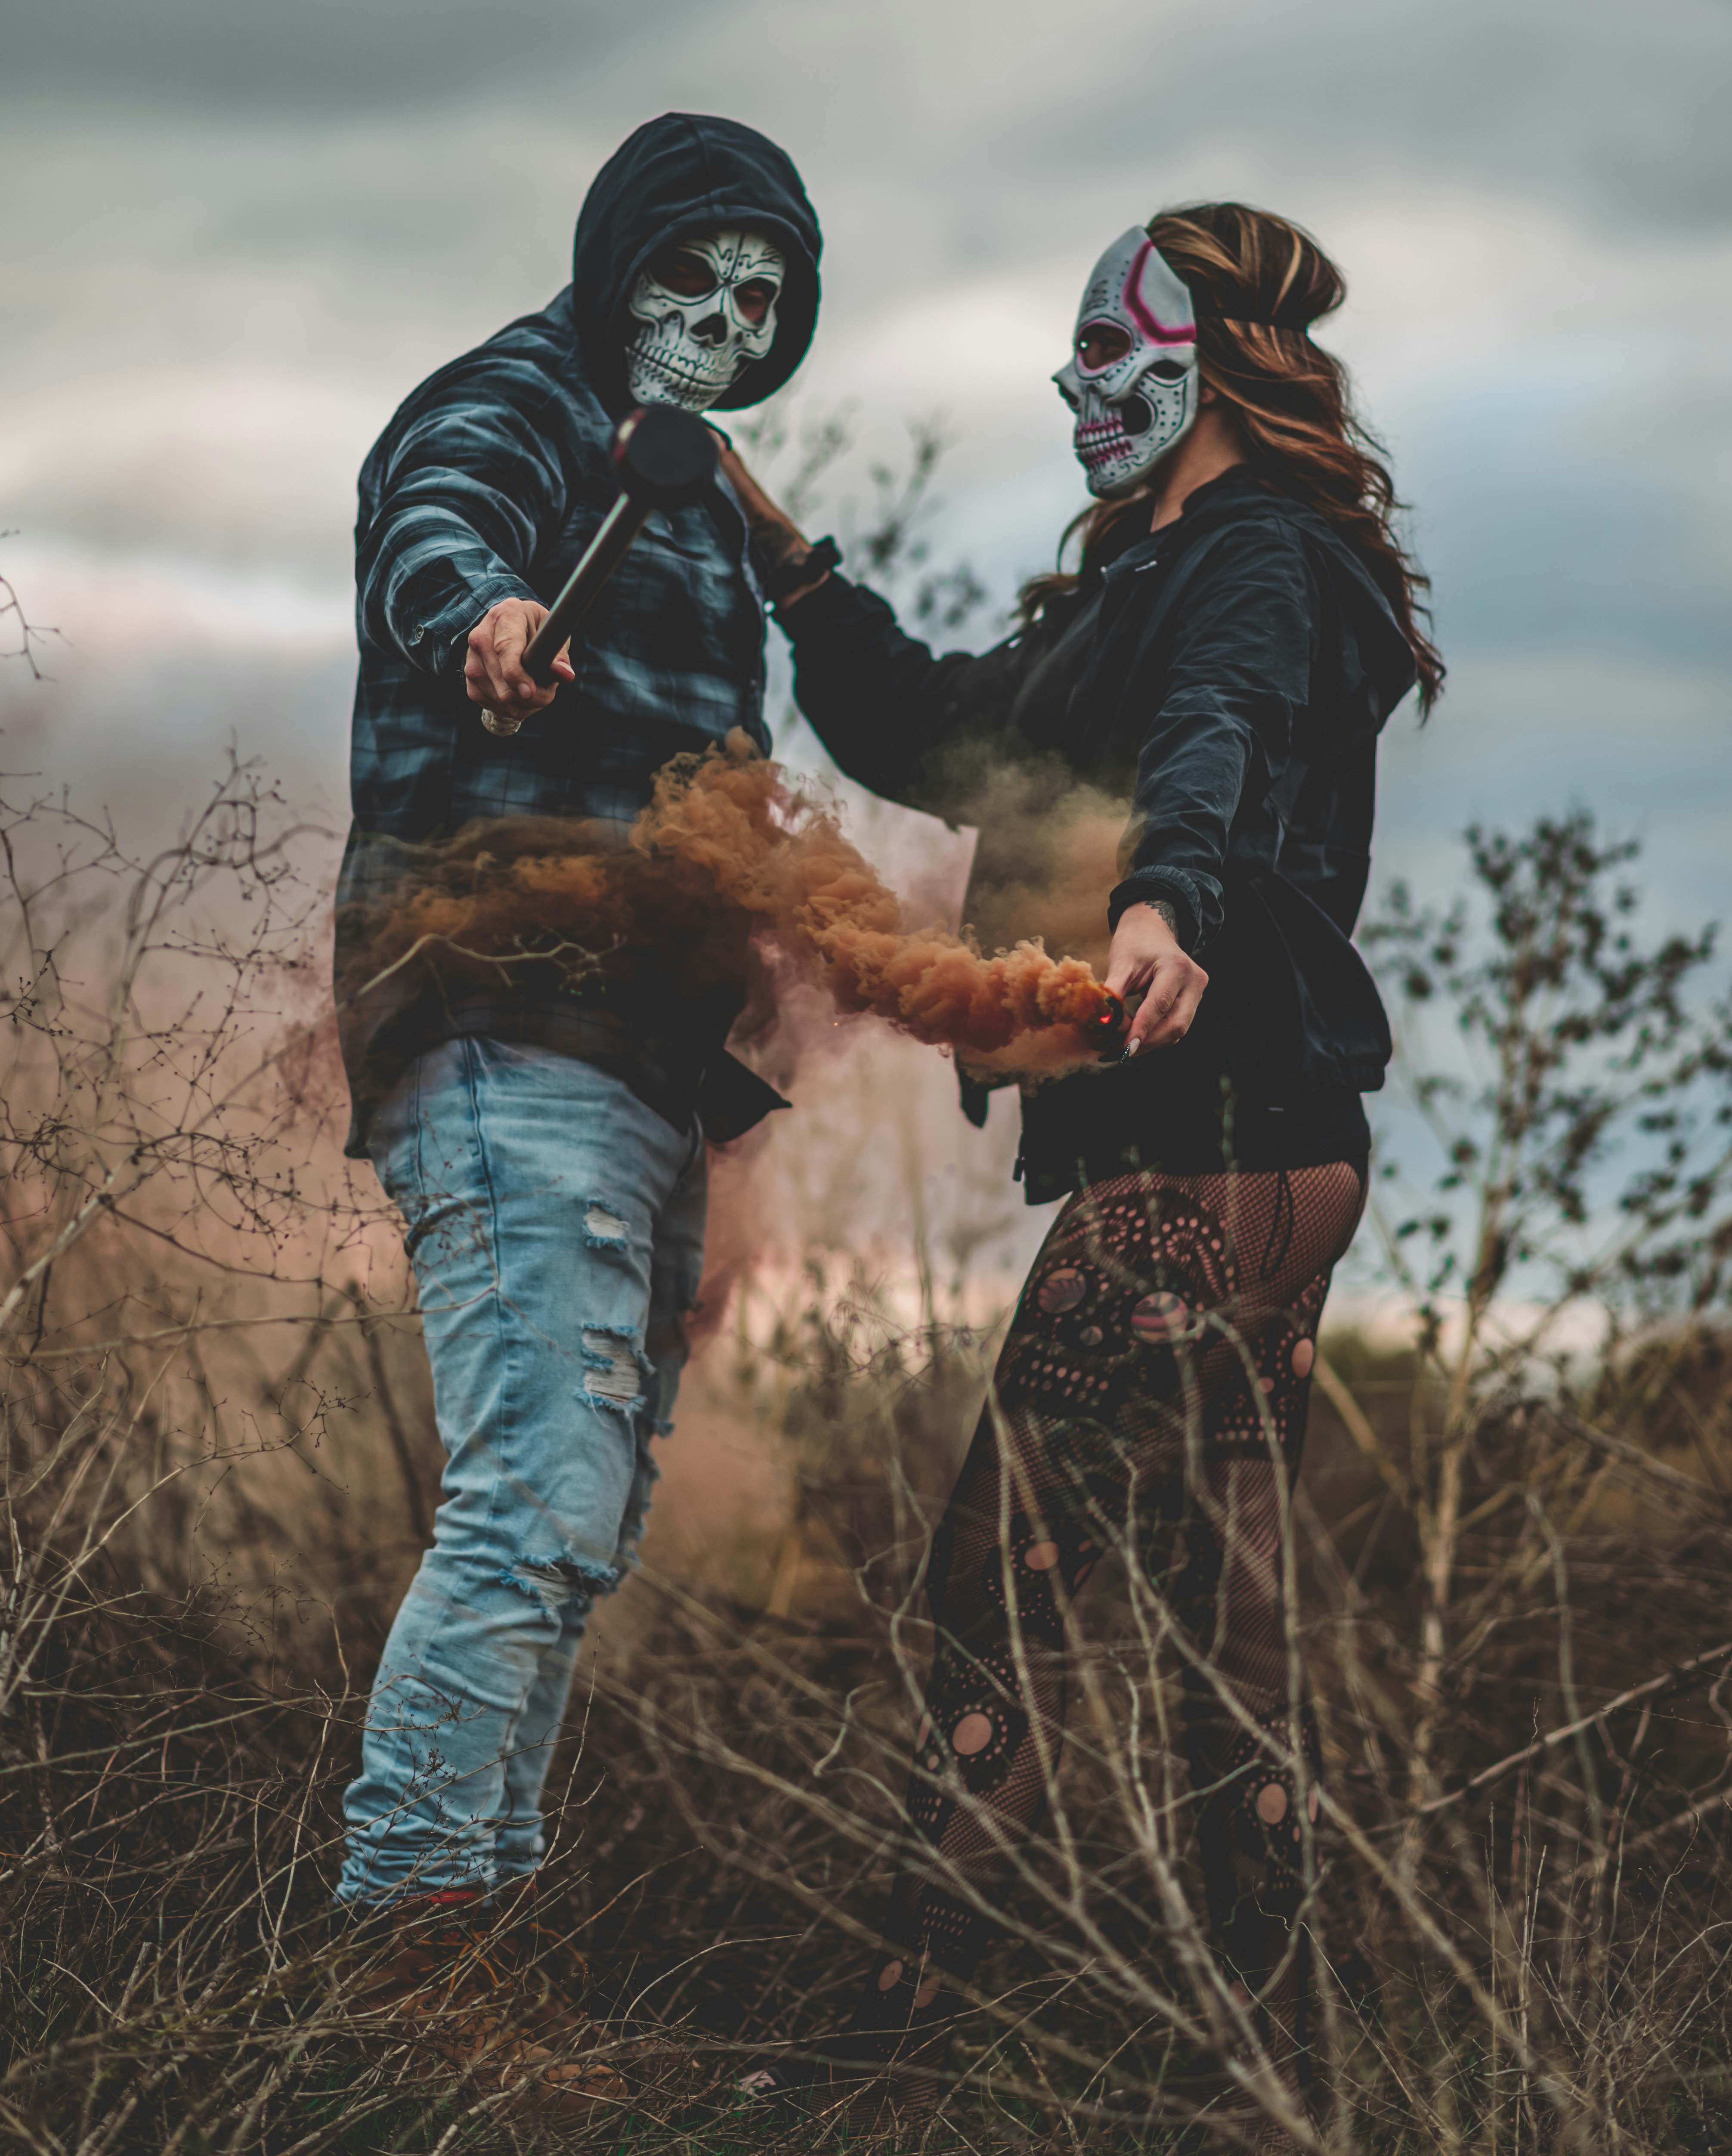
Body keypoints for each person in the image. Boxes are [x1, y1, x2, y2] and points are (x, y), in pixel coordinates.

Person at [721, 202, 1442, 2133]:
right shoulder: (1139, 589)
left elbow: (1221, 736)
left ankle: (855, 2068)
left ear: (1194, 364)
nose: (1072, 402)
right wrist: (787, 555)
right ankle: (1284, 2081)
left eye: (1101, 367)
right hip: (1259, 1160)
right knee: (1225, 1630)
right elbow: (938, 731)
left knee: (997, 1592)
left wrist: (1159, 900)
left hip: (1212, 1160)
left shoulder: (1260, 565)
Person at [329, 114, 823, 2075]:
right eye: (693, 279)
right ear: (621, 263)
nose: (720, 320)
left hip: (638, 1057)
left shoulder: (697, 494)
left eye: (761, 299)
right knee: (534, 1489)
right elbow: (438, 517)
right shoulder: (518, 400)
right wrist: (483, 613)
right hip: (497, 1015)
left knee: (582, 1513)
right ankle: (406, 1973)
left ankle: (481, 1940)